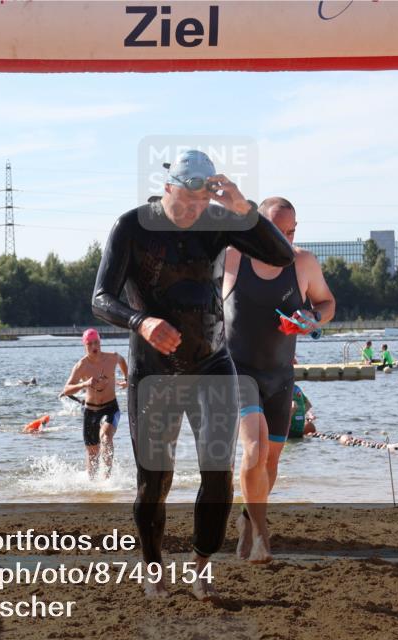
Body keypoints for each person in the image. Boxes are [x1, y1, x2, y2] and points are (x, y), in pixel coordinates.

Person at [92, 149, 294, 600]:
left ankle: (201, 565)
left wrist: (244, 209)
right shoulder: (131, 226)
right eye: (184, 201)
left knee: (218, 473)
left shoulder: (220, 221)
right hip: (153, 370)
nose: (192, 212)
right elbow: (100, 298)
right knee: (153, 481)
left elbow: (280, 257)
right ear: (167, 189)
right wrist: (139, 321)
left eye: (201, 203)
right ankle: (152, 566)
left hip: (211, 364)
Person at [223, 196, 335, 563]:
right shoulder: (233, 257)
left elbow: (327, 302)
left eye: (291, 231)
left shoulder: (302, 262)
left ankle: (246, 519)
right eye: (276, 230)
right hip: (239, 370)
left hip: (281, 374)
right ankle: (261, 533)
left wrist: (313, 319)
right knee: (253, 450)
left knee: (270, 462)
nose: (285, 239)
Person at [61, 328, 127, 479]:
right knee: (93, 454)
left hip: (111, 407)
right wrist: (84, 385)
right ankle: (92, 483)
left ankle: (106, 479)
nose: (94, 346)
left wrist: (127, 379)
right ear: (85, 345)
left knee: (106, 437)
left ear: (100, 342)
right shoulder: (81, 366)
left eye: (96, 342)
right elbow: (66, 390)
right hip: (91, 410)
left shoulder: (111, 358)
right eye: (90, 344)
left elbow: (122, 360)